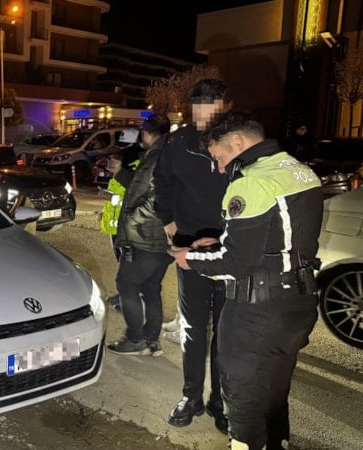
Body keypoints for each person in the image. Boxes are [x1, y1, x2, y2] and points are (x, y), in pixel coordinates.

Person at [169, 111, 323, 450]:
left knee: (244, 401)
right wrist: (219, 242)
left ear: (237, 142)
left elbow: (238, 264)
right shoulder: (300, 171)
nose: (220, 168)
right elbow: (278, 239)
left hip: (258, 313)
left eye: (219, 157)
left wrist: (189, 258)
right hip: (297, 303)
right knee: (274, 390)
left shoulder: (251, 182)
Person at [153, 78, 230, 433]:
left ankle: (221, 400)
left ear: (224, 107)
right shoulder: (178, 142)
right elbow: (163, 181)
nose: (203, 114)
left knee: (226, 330)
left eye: (211, 106)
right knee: (193, 327)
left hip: (228, 247)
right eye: (198, 106)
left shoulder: (237, 139)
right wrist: (167, 218)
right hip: (188, 245)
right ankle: (192, 396)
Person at [106, 114, 172, 356]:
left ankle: (135, 339)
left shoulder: (158, 157)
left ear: (146, 133)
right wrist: (121, 173)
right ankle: (151, 340)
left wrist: (133, 218)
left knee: (126, 283)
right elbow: (143, 188)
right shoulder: (165, 153)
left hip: (147, 237)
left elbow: (157, 198)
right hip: (159, 237)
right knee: (151, 286)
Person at [100, 128, 142, 310]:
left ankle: (130, 299)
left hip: (126, 224)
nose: (120, 153)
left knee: (128, 264)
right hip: (117, 222)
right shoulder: (124, 165)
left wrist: (112, 198)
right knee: (122, 263)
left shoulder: (136, 166)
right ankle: (125, 296)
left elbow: (134, 195)